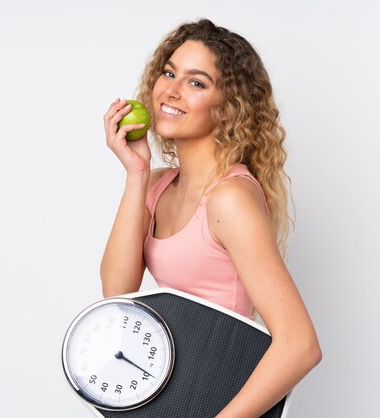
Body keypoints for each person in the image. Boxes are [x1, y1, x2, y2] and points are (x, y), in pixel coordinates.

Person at [100, 18, 321, 417]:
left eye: (196, 82)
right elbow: (118, 297)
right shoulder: (154, 185)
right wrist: (135, 174)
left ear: (228, 107)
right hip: (170, 395)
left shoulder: (230, 199)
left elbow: (300, 345)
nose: (172, 89)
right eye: (169, 73)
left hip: (219, 394)